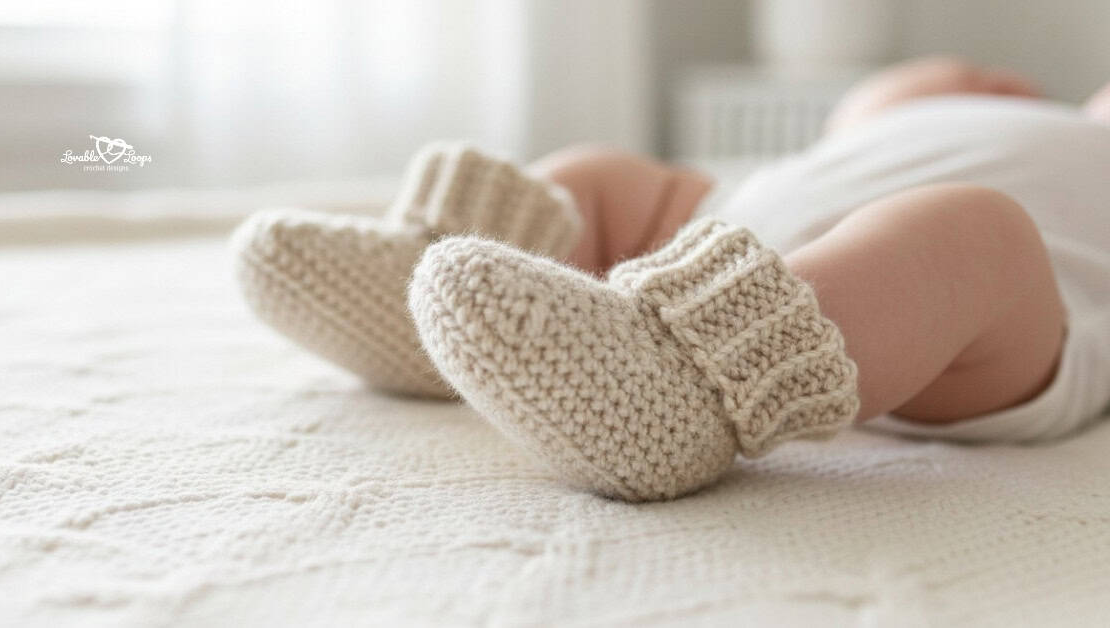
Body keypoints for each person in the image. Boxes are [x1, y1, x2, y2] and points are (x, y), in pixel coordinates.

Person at [232, 56, 1110, 502]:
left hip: (1006, 323)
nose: (1000, 87)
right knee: (603, 175)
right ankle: (419, 287)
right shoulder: (866, 133)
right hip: (732, 240)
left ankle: (687, 389)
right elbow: (870, 111)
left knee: (970, 229)